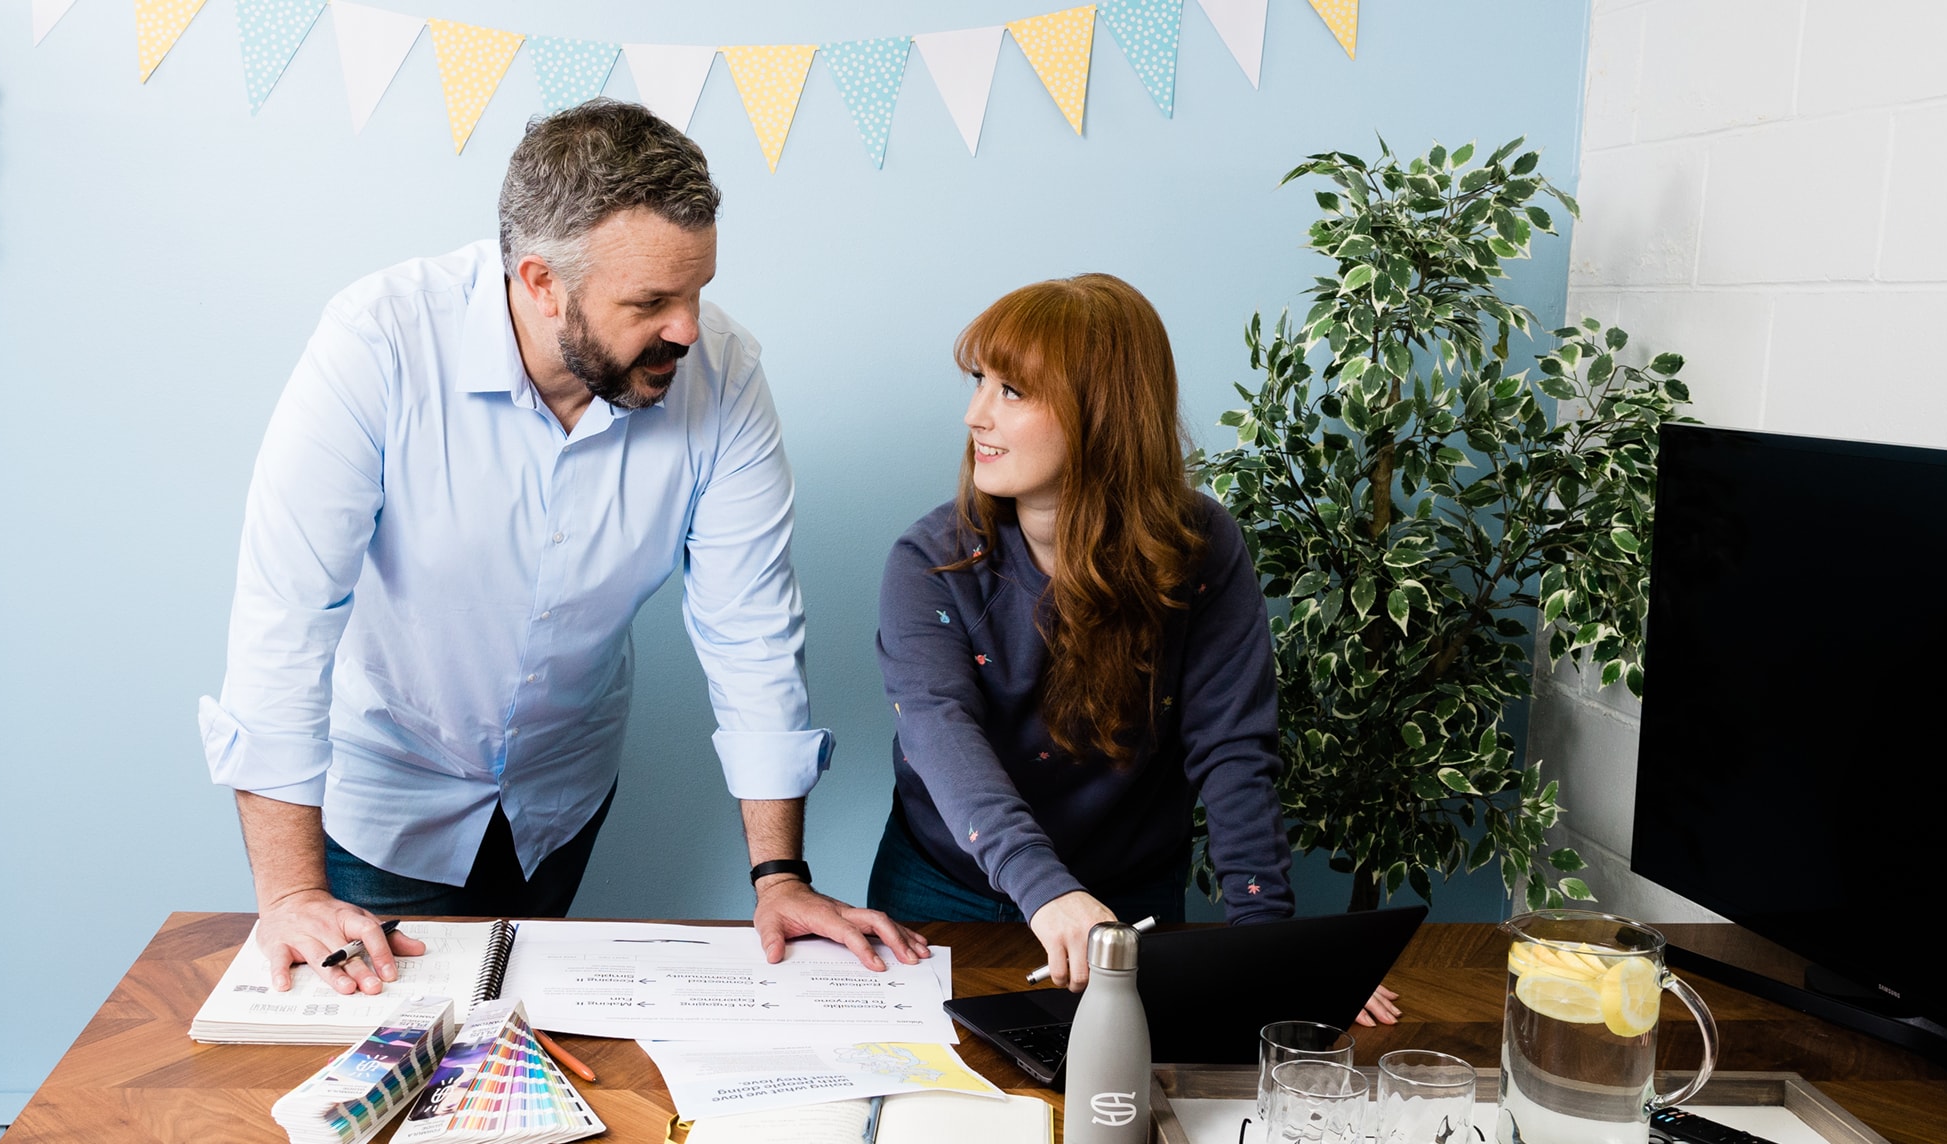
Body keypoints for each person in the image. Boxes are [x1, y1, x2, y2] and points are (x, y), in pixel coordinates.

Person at [199, 99, 925, 996]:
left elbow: (752, 633)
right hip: (383, 797)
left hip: (561, 797)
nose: (687, 330)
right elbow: (287, 619)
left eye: (696, 291)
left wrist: (779, 878)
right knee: (387, 1078)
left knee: (509, 1059)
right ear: (540, 281)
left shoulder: (723, 377)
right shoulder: (377, 344)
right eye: (651, 302)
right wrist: (293, 891)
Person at [866, 274, 1398, 1024]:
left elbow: (1234, 751)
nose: (975, 414)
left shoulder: (1204, 550)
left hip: (1129, 896)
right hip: (940, 890)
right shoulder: (929, 564)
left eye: (1012, 391)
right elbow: (940, 736)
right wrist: (1044, 888)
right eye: (979, 382)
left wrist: (1277, 954)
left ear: (1101, 411)